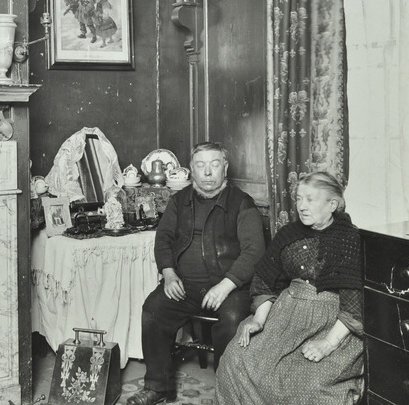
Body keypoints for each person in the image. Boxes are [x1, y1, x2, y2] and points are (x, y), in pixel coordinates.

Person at [127, 142, 266, 405]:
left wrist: (226, 285)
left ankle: (227, 392)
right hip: (185, 285)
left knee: (234, 319)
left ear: (224, 167)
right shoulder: (179, 201)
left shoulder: (241, 203)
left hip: (229, 287)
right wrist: (168, 273)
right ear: (192, 169)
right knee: (153, 309)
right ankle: (159, 386)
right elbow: (164, 239)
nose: (208, 172)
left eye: (215, 165)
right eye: (201, 166)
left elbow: (254, 251)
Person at [216, 171, 365, 404]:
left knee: (309, 384)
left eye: (310, 199)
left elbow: (353, 307)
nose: (302, 206)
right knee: (236, 359)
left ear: (332, 204)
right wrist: (259, 320)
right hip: (284, 317)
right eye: (298, 199)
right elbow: (266, 281)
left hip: (331, 325)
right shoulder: (289, 234)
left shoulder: (350, 239)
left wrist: (327, 344)